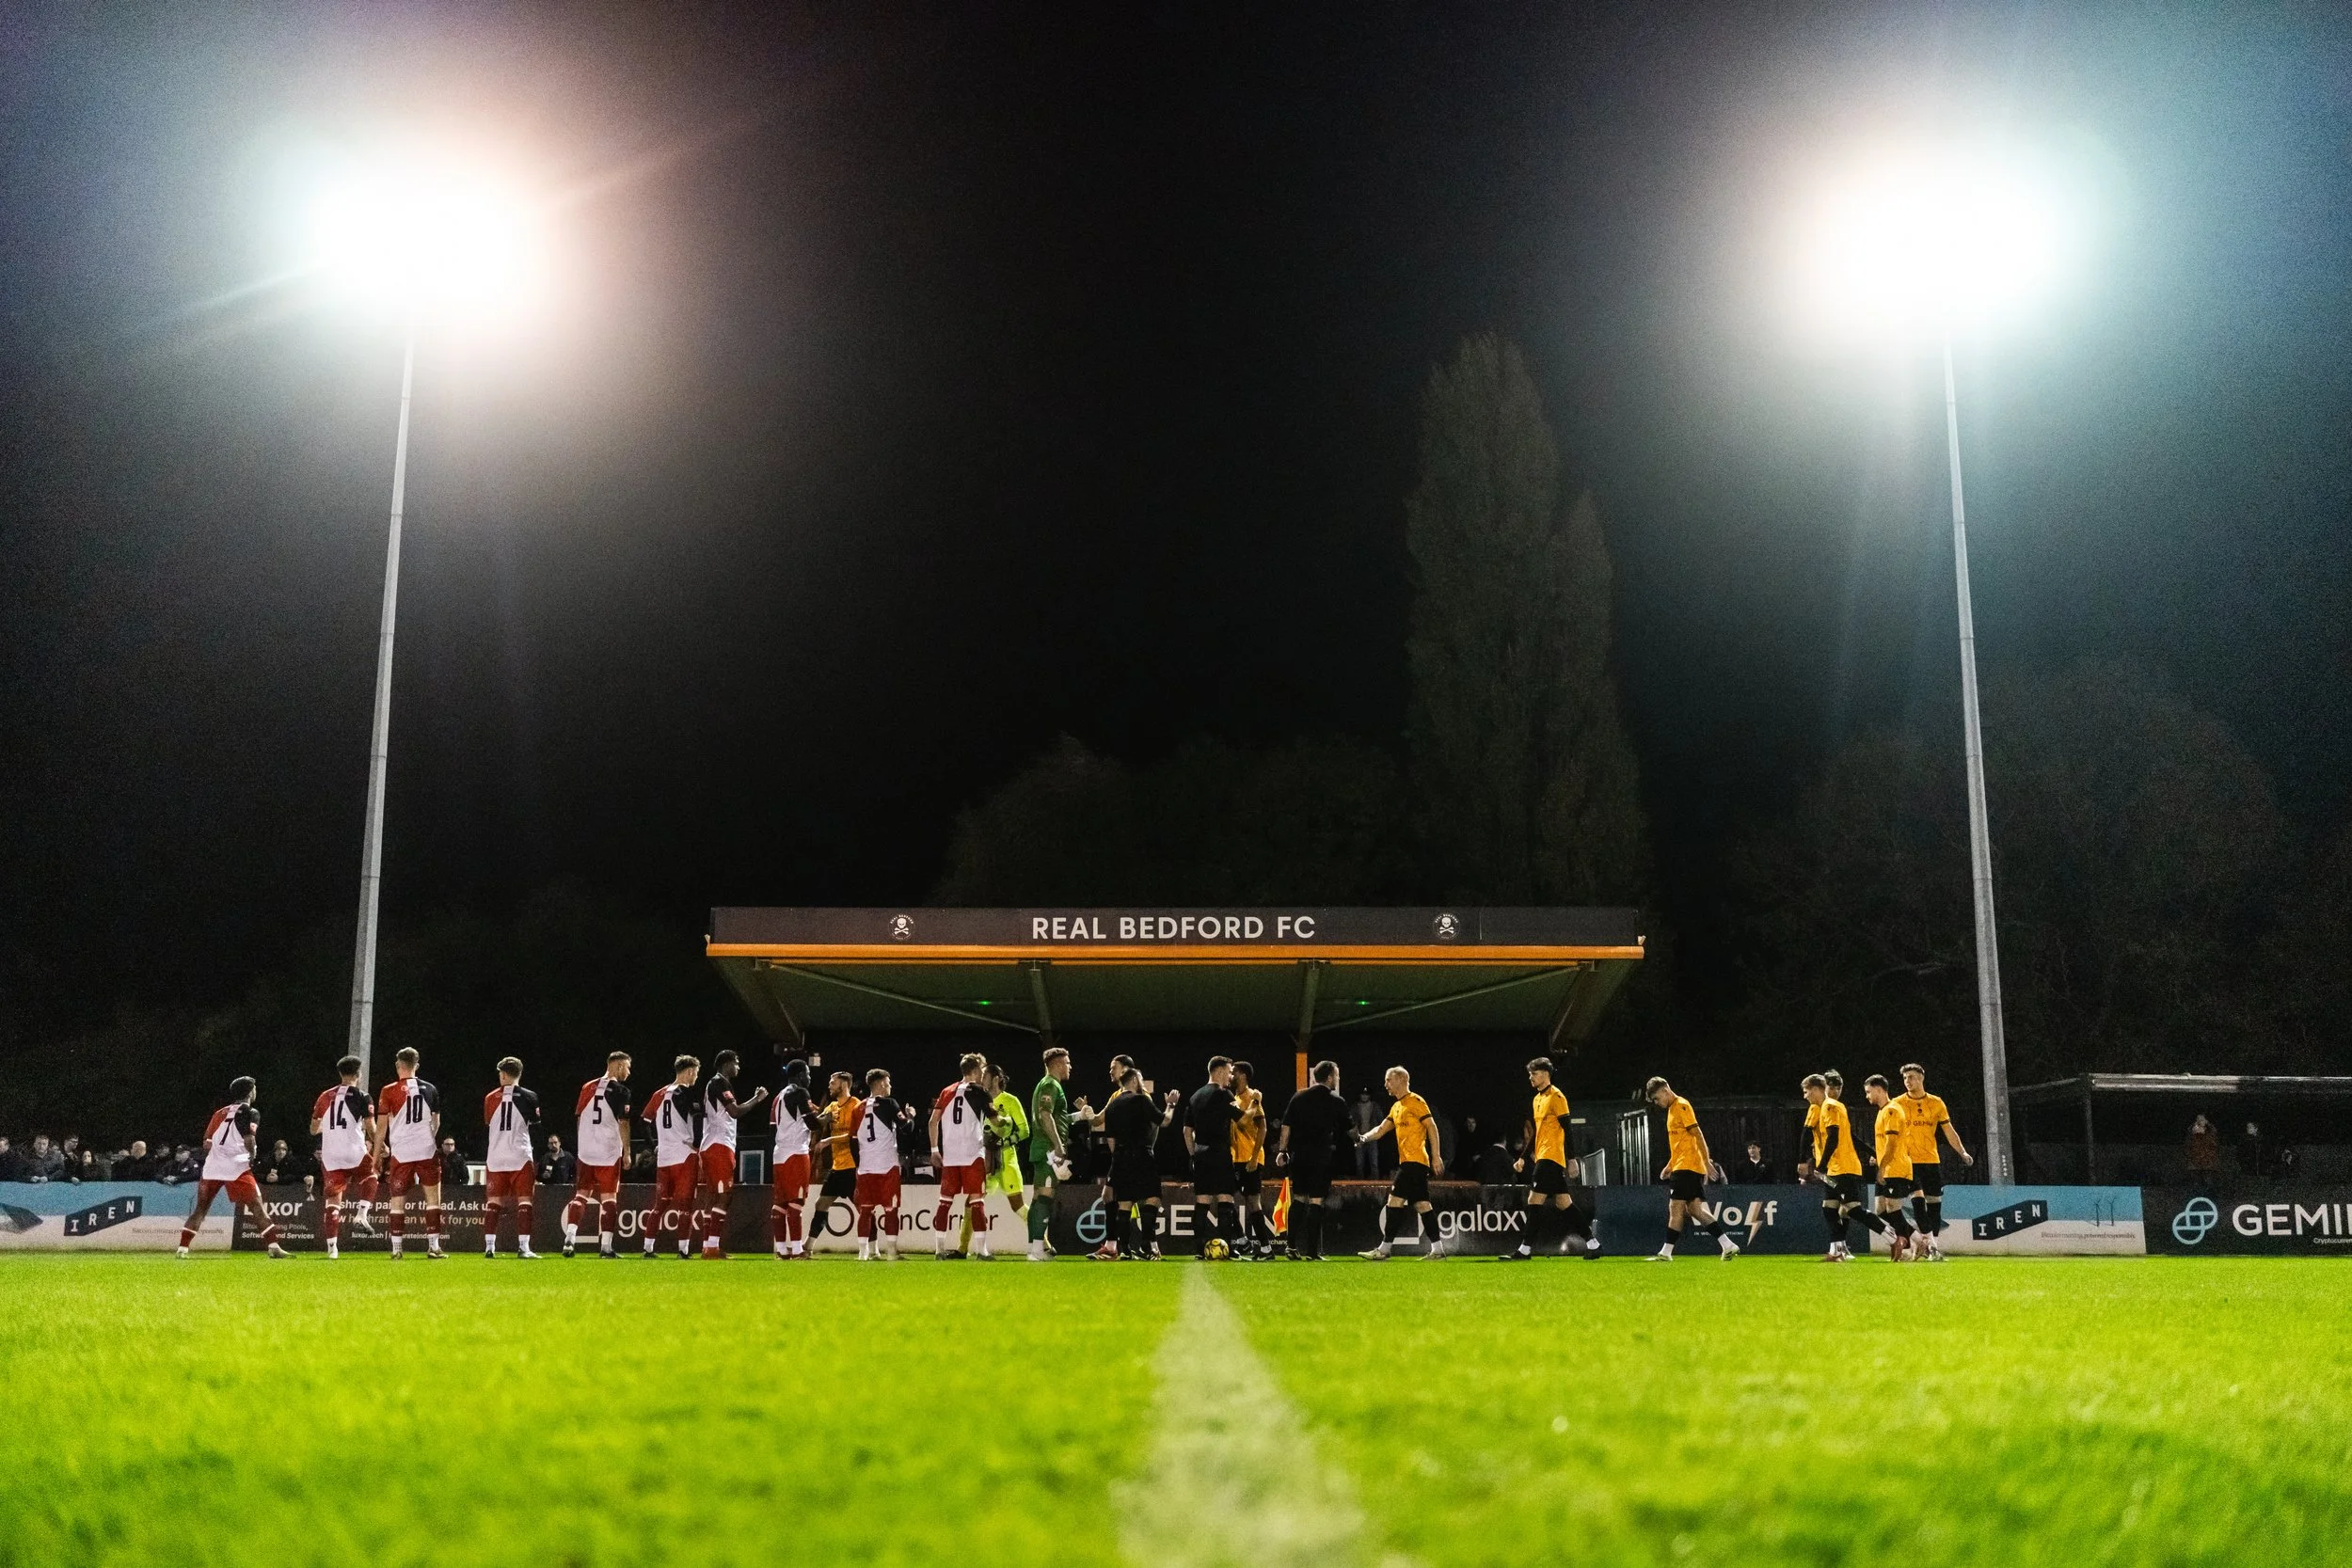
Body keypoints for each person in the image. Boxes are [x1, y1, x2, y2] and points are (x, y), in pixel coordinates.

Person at [176, 1077, 288, 1259]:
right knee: (257, 1207)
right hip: (237, 1167)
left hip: (212, 1167)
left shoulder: (219, 1113)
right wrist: (252, 1156)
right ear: (250, 1092)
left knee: (201, 1209)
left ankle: (182, 1249)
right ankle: (273, 1246)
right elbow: (249, 1138)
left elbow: (206, 1143)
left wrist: (221, 1152)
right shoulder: (251, 1112)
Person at [1504, 1056, 1599, 1260]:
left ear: (1546, 1074)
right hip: (1542, 1156)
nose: (1531, 1078)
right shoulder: (1537, 1099)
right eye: (1530, 1074)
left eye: (1535, 1074)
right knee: (1563, 1203)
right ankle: (1593, 1243)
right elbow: (1537, 1132)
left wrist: (1572, 1159)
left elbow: (1568, 1129)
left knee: (1534, 1199)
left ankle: (1525, 1249)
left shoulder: (1557, 1097)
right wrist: (1522, 1157)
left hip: (1552, 1157)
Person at [1644, 1077, 1739, 1262]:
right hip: (1683, 1165)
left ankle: (1666, 1252)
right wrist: (1670, 1166)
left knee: (1675, 1208)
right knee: (1695, 1210)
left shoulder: (1681, 1105)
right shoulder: (1672, 1110)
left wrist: (1706, 1161)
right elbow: (1681, 1143)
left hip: (1687, 1166)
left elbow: (1698, 1134)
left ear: (1664, 1090)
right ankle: (1727, 1245)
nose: (1657, 1103)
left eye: (1656, 1098)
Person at [1358, 1067, 1443, 1259]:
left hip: (1415, 1162)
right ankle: (1438, 1250)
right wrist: (1363, 1138)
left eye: (1389, 1080)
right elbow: (1380, 1130)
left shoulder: (1416, 1101)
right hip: (1410, 1163)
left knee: (1394, 1201)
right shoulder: (1396, 1107)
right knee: (1422, 1205)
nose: (1385, 1084)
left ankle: (1384, 1250)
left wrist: (1436, 1156)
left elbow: (1432, 1126)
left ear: (1401, 1079)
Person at [693, 1050, 769, 1259]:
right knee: (725, 1196)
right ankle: (712, 1247)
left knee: (713, 1196)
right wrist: (757, 1098)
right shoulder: (720, 1082)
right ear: (726, 1063)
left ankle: (708, 1247)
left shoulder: (714, 1084)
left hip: (711, 1144)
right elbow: (735, 1111)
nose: (738, 1067)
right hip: (719, 1145)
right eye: (736, 1062)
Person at [1275, 1060, 1352, 1259]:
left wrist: (1283, 1150)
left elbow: (1286, 1126)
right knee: (1316, 1201)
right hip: (1321, 1158)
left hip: (1299, 1157)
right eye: (1336, 1075)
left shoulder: (1298, 1096)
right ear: (1329, 1078)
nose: (1338, 1079)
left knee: (1299, 1198)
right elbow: (1351, 1130)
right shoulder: (1337, 1101)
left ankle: (1290, 1247)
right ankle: (1311, 1252)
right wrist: (1360, 1139)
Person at [1897, 1063, 1973, 1260]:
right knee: (1918, 1201)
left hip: (1930, 1160)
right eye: (1905, 1078)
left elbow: (1949, 1131)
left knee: (1934, 1205)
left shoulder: (1936, 1103)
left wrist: (1962, 1153)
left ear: (1921, 1078)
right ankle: (1930, 1247)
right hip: (1908, 1161)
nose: (1908, 1081)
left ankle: (1932, 1247)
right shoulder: (1897, 1104)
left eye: (1911, 1077)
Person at [562, 1052, 633, 1259]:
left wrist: (583, 1143)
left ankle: (570, 1237)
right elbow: (624, 1122)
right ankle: (606, 1247)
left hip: (585, 1151)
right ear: (618, 1066)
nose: (628, 1072)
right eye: (627, 1067)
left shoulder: (587, 1087)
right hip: (608, 1152)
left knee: (581, 1195)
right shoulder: (621, 1091)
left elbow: (578, 1118)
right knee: (609, 1198)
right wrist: (627, 1152)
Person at [377, 1047, 446, 1260]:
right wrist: (427, 1136)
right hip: (426, 1150)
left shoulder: (389, 1090)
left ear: (398, 1066)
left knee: (397, 1200)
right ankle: (433, 1247)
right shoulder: (431, 1089)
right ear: (416, 1065)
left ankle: (397, 1249)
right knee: (433, 1199)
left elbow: (381, 1128)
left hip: (401, 1152)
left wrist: (375, 1156)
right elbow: (436, 1122)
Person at [1094, 1066, 1166, 1260]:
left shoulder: (1113, 1104)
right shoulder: (1142, 1099)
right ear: (1134, 1079)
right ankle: (1146, 1244)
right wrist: (1172, 1105)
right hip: (1141, 1154)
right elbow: (1162, 1122)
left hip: (1120, 1156)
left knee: (1124, 1202)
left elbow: (1109, 1137)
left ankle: (1123, 1248)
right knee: (1152, 1197)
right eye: (1140, 1079)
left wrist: (1117, 1158)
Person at [310, 1055, 377, 1260]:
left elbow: (313, 1130)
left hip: (331, 1156)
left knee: (333, 1201)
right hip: (353, 1151)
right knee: (371, 1176)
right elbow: (372, 1130)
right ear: (358, 1074)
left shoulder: (324, 1096)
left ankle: (332, 1250)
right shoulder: (362, 1096)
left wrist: (329, 1129)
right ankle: (361, 1214)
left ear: (340, 1074)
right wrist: (382, 1145)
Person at [929, 1053, 994, 1259]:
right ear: (975, 1071)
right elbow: (996, 1120)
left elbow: (933, 1122)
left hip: (951, 1157)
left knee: (944, 1202)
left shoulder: (947, 1091)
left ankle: (939, 1250)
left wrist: (934, 1151)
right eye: (982, 1071)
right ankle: (981, 1251)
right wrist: (1005, 1122)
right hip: (972, 1155)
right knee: (977, 1202)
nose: (983, 1074)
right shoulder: (980, 1092)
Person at [640, 1056, 704, 1259]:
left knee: (660, 1205)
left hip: (664, 1157)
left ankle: (648, 1248)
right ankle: (683, 1250)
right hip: (684, 1156)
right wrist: (697, 1143)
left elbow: (645, 1121)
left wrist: (654, 1145)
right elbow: (698, 1118)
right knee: (685, 1206)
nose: (696, 1077)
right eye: (696, 1072)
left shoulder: (659, 1094)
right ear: (689, 1072)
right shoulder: (686, 1092)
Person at [482, 1056, 543, 1259]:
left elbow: (489, 1122)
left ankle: (490, 1247)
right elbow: (535, 1123)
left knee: (494, 1203)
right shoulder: (530, 1096)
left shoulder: (490, 1098)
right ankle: (523, 1248)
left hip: (496, 1156)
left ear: (504, 1074)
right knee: (525, 1202)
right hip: (519, 1155)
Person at [1798, 1072, 1863, 1261]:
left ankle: (1840, 1248)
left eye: (1838, 1088)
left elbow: (1847, 1138)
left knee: (1842, 1208)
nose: (1834, 1091)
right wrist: (1804, 1160)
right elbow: (1806, 1134)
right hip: (1830, 1165)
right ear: (1824, 1088)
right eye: (1831, 1087)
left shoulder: (1835, 1108)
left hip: (1839, 1165)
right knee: (1838, 1208)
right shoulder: (1817, 1108)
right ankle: (1839, 1248)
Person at [849, 1069, 911, 1261]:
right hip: (887, 1166)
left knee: (865, 1210)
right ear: (882, 1084)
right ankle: (891, 1251)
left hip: (866, 1168)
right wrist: (911, 1116)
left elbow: (852, 1142)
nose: (890, 1086)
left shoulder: (857, 1109)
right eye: (888, 1083)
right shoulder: (889, 1104)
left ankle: (862, 1253)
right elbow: (906, 1128)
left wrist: (860, 1164)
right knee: (891, 1210)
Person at [1184, 1056, 1243, 1257]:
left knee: (1202, 1201)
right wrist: (1256, 1103)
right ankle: (1228, 1248)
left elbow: (1186, 1130)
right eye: (1229, 1071)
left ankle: (1199, 1250)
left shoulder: (1195, 1096)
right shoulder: (1224, 1094)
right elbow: (1242, 1119)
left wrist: (1194, 1154)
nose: (1231, 1076)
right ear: (1218, 1071)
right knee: (1225, 1199)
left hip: (1200, 1153)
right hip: (1219, 1152)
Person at [973, 1062, 1030, 1259]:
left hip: (1007, 1160)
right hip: (984, 1161)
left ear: (996, 1078)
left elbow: (1025, 1131)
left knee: (1018, 1207)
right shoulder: (980, 1100)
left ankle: (1044, 1244)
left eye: (985, 1075)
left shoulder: (1011, 1100)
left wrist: (1003, 1142)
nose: (981, 1079)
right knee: (972, 1202)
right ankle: (963, 1249)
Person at [1025, 1047, 1076, 1261]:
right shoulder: (1050, 1084)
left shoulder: (1048, 1085)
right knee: (1045, 1197)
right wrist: (1057, 1145)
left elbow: (1058, 1116)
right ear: (1056, 1064)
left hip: (1042, 1147)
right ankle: (1037, 1250)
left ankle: (1035, 1248)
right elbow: (1045, 1115)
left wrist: (1079, 1116)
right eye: (1067, 1062)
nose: (1070, 1066)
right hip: (1047, 1149)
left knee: (1038, 1199)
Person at [1865, 1075, 1921, 1262]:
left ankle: (1917, 1241)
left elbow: (1891, 1143)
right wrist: (1878, 1159)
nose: (1867, 1096)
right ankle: (1914, 1239)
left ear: (1879, 1089)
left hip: (1895, 1168)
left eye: (1868, 1092)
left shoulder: (1892, 1110)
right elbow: (1884, 1144)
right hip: (1886, 1167)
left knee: (1892, 1208)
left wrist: (1882, 1166)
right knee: (1880, 1210)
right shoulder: (1882, 1112)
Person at [768, 1059, 819, 1259]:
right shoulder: (800, 1092)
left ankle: (781, 1249)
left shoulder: (778, 1097)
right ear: (799, 1075)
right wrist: (827, 1117)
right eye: (807, 1073)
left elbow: (772, 1130)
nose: (809, 1077)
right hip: (796, 1152)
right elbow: (813, 1124)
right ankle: (798, 1250)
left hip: (779, 1153)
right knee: (796, 1201)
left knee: (780, 1202)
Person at [805, 1070, 862, 1249]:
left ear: (844, 1084)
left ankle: (872, 1248)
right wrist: (818, 1117)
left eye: (833, 1082)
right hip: (837, 1167)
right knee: (821, 1204)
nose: (830, 1085)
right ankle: (808, 1245)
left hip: (853, 1166)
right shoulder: (832, 1107)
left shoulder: (856, 1105)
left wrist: (829, 1140)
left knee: (864, 1209)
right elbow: (816, 1124)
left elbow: (854, 1135)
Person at [1230, 1061, 1272, 1258]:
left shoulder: (1251, 1096)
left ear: (1243, 1075)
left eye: (1234, 1072)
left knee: (1253, 1202)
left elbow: (1263, 1127)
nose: (1231, 1075)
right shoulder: (1234, 1098)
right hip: (1234, 1157)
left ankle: (1265, 1248)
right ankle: (1242, 1240)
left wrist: (1255, 1158)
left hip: (1249, 1158)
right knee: (1225, 1199)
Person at [1352, 1087, 1382, 1178]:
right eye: (1363, 1094)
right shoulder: (1355, 1107)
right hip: (1359, 1137)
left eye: (1366, 1095)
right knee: (1359, 1163)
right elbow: (1350, 1122)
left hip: (1372, 1137)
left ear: (1369, 1096)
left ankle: (1376, 1186)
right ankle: (1359, 1186)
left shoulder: (1375, 1106)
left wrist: (1377, 1130)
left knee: (1374, 1163)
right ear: (1360, 1095)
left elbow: (1382, 1120)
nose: (1364, 1097)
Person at [2185, 1115, 2220, 1194]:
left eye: (2202, 1120)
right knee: (2195, 1187)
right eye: (2198, 1120)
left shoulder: (2211, 1135)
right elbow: (2187, 1148)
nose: (2200, 1122)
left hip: (2208, 1165)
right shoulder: (2191, 1136)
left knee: (2210, 1187)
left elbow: (2215, 1146)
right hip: (2194, 1165)